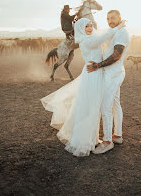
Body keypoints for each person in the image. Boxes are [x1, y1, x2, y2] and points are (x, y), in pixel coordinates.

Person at [41, 17, 126, 157]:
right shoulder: (86, 41)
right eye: (86, 26)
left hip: (96, 73)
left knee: (94, 107)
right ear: (81, 29)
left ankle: (92, 139)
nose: (90, 28)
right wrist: (118, 27)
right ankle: (84, 141)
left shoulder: (90, 38)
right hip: (93, 76)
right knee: (90, 108)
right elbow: (103, 37)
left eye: (91, 25)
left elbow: (102, 38)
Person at [87, 10, 130, 154]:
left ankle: (107, 142)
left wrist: (97, 65)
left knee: (105, 107)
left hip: (113, 74)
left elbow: (116, 55)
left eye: (112, 18)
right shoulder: (116, 31)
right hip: (114, 73)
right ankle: (117, 135)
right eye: (107, 18)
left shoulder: (122, 33)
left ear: (119, 18)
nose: (109, 20)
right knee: (115, 104)